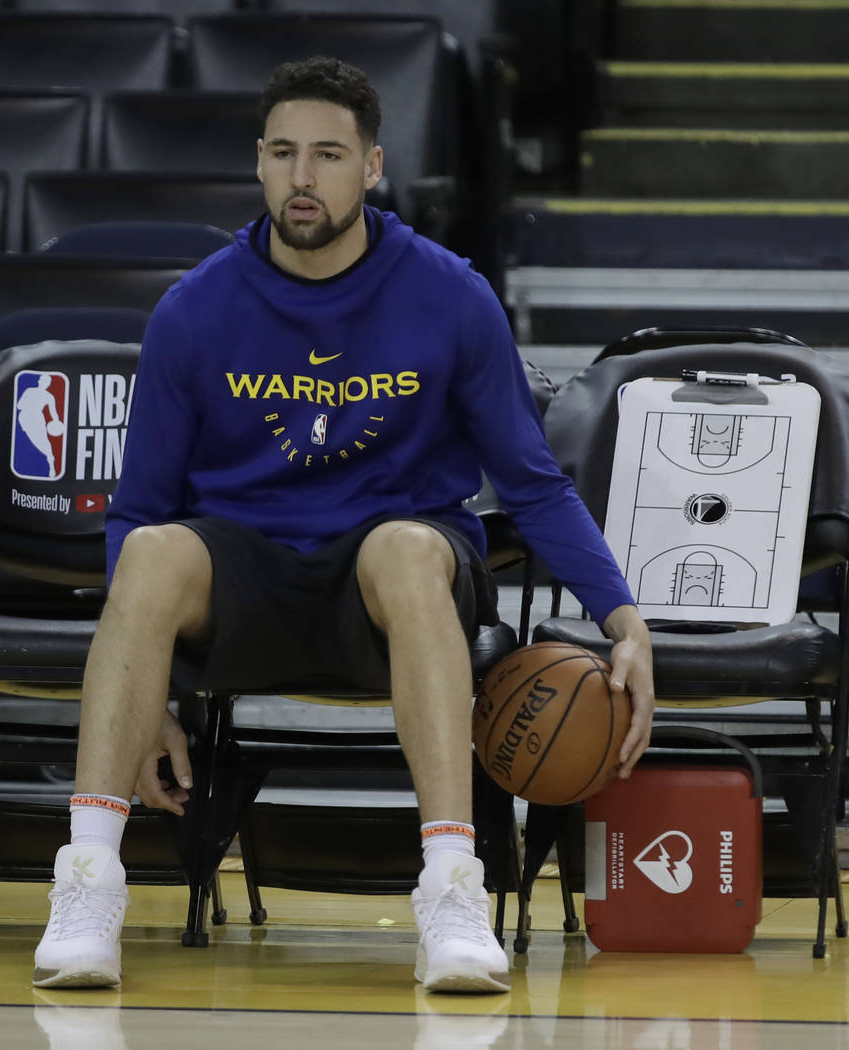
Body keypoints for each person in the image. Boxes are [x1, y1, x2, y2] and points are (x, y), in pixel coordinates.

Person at [33, 55, 654, 994]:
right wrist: (147, 699)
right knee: (155, 554)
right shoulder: (194, 308)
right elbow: (139, 511)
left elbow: (531, 483)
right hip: (245, 576)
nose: (302, 176)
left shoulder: (449, 294)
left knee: (406, 549)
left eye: (327, 154)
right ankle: (87, 882)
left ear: (370, 167)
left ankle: (451, 892)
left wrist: (622, 617)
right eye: (283, 153)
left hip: (391, 581)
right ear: (258, 164)